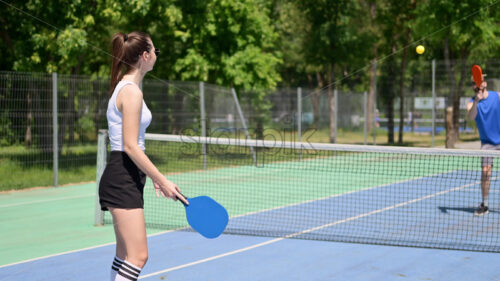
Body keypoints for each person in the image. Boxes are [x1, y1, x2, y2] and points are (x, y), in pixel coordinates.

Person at [99, 31, 188, 281]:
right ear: (145, 55)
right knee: (138, 257)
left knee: (124, 254)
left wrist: (153, 178)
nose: (156, 56)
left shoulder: (127, 87)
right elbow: (130, 146)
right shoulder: (131, 92)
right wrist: (162, 179)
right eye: (155, 52)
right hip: (122, 176)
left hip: (126, 175)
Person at [466, 73, 500, 216]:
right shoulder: (471, 103)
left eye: (479, 82)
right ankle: (485, 205)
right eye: (474, 83)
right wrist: (477, 102)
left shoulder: (497, 96)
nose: (476, 85)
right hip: (487, 143)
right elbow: (471, 116)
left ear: (485, 83)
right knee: (485, 173)